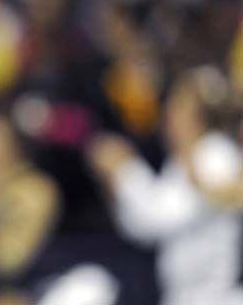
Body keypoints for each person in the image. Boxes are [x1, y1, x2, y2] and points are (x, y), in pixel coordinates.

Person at [87, 65, 243, 305]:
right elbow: (141, 229)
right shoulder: (180, 161)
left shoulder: (216, 154)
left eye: (177, 108)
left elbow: (163, 216)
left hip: (215, 297)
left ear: (197, 114)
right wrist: (114, 186)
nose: (168, 118)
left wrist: (125, 169)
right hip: (181, 296)